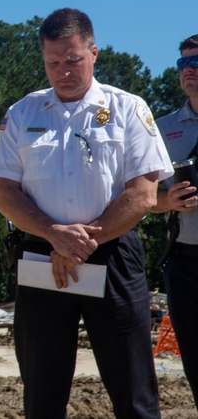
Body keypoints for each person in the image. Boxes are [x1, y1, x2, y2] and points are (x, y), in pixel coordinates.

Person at [0, 8, 171, 419]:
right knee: (42, 392)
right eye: (53, 62)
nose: (63, 71)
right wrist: (55, 235)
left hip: (113, 255)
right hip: (41, 259)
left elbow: (142, 193)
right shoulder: (22, 113)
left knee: (134, 390)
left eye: (73, 60)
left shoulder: (127, 109)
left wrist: (79, 242)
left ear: (94, 53)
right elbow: (6, 194)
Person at [153, 34, 198, 403]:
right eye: (183, 63)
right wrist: (167, 199)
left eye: (196, 62)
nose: (188, 70)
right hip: (185, 263)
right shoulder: (164, 128)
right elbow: (138, 197)